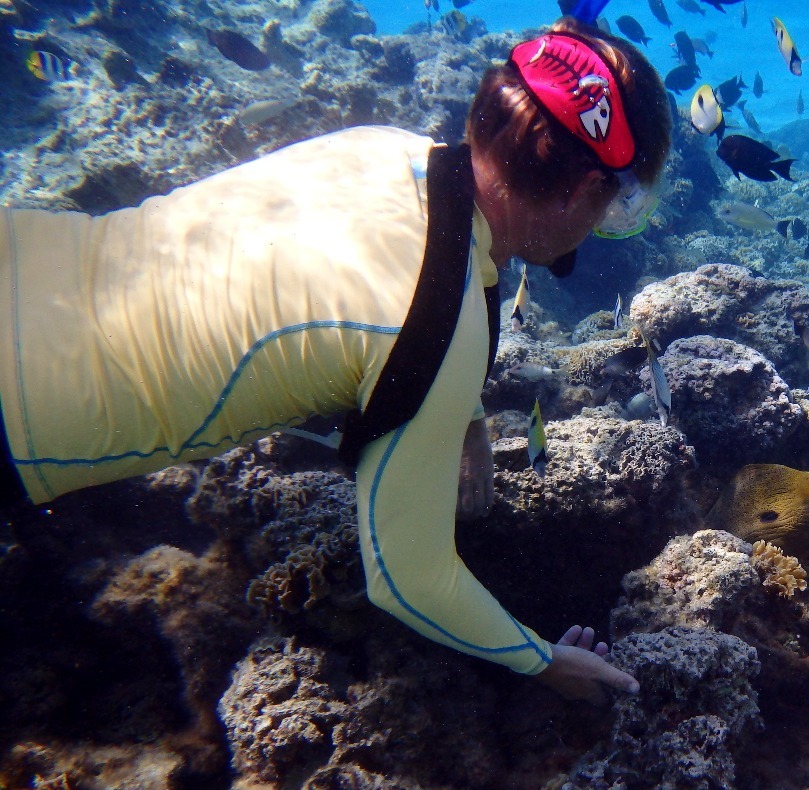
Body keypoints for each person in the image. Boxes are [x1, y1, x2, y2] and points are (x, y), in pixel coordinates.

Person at [0, 18, 672, 704]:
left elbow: (372, 298)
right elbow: (407, 577)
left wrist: (463, 412)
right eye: (618, 202)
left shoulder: (386, 147)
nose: (602, 225)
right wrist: (543, 661)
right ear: (582, 189)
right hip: (19, 420)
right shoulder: (443, 321)